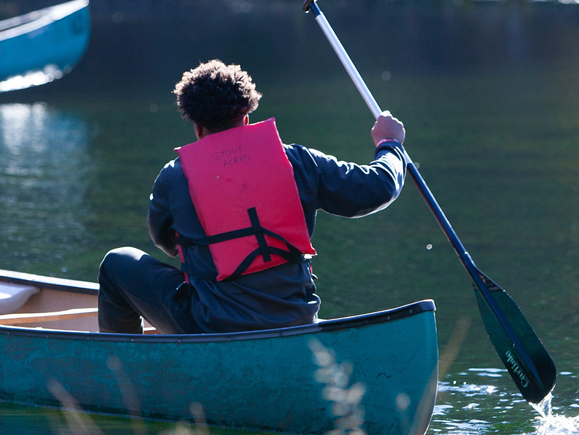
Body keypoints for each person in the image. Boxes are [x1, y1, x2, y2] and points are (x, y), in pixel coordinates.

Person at [97, 60, 407, 334]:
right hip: (295, 319)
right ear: (246, 118)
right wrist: (390, 144)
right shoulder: (298, 161)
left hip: (209, 325)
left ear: (197, 128)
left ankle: (122, 370)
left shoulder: (174, 177)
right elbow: (377, 188)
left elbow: (166, 243)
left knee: (116, 264)